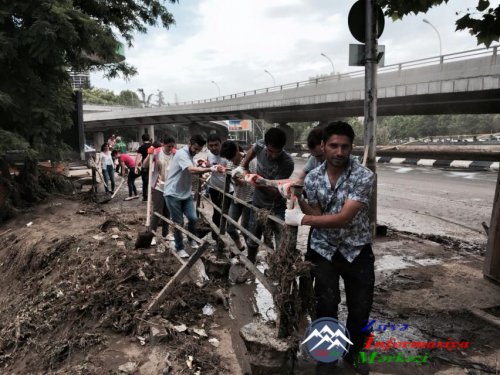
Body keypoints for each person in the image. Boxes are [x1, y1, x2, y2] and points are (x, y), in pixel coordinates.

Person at [285, 121, 375, 375]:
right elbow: (317, 212)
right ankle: (327, 357)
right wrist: (298, 198)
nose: (339, 152)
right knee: (326, 304)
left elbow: (344, 218)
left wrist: (303, 220)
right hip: (323, 249)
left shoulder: (363, 176)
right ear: (323, 146)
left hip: (356, 250)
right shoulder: (313, 178)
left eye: (345, 147)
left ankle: (354, 352)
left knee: (360, 307)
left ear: (351, 148)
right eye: (333, 145)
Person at [164, 134, 224, 258]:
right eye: (195, 149)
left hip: (185, 194)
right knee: (178, 223)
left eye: (199, 150)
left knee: (193, 218)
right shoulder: (182, 154)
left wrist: (201, 165)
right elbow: (191, 170)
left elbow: (193, 166)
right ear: (190, 144)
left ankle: (191, 239)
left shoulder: (190, 155)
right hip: (173, 194)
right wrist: (211, 169)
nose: (196, 152)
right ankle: (179, 247)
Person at [240, 127, 294, 263]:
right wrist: (244, 168)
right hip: (257, 204)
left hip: (277, 207)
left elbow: (274, 194)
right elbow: (247, 157)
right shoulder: (259, 145)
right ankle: (250, 265)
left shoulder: (287, 162)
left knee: (282, 244)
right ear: (265, 145)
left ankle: (278, 272)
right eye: (270, 151)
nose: (273, 156)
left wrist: (255, 182)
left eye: (278, 152)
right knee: (252, 239)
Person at [220, 141, 255, 251]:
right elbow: (235, 183)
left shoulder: (250, 161)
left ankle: (251, 255)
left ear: (237, 151)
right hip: (237, 198)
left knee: (245, 229)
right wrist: (230, 175)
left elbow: (248, 182)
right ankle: (240, 246)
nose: (231, 161)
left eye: (232, 157)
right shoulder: (230, 163)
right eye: (229, 159)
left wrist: (235, 177)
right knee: (230, 227)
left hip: (249, 199)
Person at [144, 136, 176, 240]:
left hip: (170, 187)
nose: (170, 148)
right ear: (163, 144)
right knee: (157, 212)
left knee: (167, 212)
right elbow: (145, 165)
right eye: (168, 146)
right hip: (158, 186)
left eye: (172, 146)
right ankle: (151, 235)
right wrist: (149, 155)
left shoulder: (175, 153)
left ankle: (165, 234)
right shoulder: (157, 152)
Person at [205, 134, 233, 229]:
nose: (214, 147)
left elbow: (233, 171)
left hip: (228, 189)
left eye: (216, 145)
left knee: (226, 212)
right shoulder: (208, 154)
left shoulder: (227, 154)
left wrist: (224, 170)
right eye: (211, 145)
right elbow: (209, 165)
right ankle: (216, 235)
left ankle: (226, 231)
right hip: (214, 188)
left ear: (221, 144)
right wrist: (207, 165)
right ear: (208, 146)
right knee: (216, 212)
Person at [135, 133, 153, 201]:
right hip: (152, 166)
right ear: (149, 139)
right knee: (151, 181)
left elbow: (138, 157)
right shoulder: (152, 146)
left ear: (142, 139)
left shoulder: (141, 147)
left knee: (145, 182)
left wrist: (136, 167)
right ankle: (151, 196)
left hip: (145, 166)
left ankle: (145, 197)